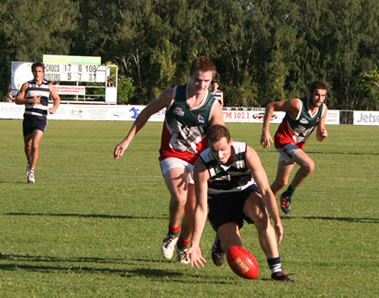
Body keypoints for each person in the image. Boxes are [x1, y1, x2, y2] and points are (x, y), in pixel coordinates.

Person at [113, 56, 224, 264]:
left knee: (192, 209)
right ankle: (172, 235)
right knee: (180, 198)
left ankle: (184, 245)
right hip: (172, 154)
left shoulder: (212, 106)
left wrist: (221, 159)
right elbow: (146, 113)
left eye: (207, 81)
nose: (202, 85)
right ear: (191, 76)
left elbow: (220, 136)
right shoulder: (173, 95)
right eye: (198, 80)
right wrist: (127, 141)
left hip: (199, 160)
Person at [187, 125, 294, 282]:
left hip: (244, 192)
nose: (220, 155)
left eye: (223, 149)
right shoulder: (202, 166)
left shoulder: (247, 154)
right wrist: (195, 244)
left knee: (262, 217)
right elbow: (201, 207)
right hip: (219, 201)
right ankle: (220, 244)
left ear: (230, 142)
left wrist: (276, 220)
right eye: (214, 150)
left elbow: (265, 190)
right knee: (235, 250)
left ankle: (276, 271)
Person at [260, 81, 329, 216]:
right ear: (310, 94)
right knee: (309, 165)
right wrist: (265, 131)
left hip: (296, 147)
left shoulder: (323, 109)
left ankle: (259, 203)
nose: (320, 99)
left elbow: (319, 136)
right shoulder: (297, 105)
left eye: (323, 96)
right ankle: (287, 195)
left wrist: (323, 134)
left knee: (281, 182)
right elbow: (271, 106)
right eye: (317, 95)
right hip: (283, 141)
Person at [14, 62, 61, 183]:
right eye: (35, 71)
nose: (37, 74)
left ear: (43, 72)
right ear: (32, 72)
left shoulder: (48, 86)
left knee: (35, 145)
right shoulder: (27, 85)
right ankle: (29, 164)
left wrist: (54, 108)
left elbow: (57, 98)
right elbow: (17, 99)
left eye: (39, 71)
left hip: (41, 119)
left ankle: (32, 171)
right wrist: (30, 100)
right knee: (28, 146)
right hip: (28, 118)